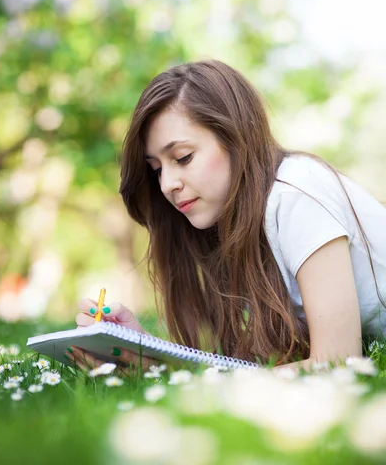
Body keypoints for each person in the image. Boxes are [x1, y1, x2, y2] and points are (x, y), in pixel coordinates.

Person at [69, 59, 386, 373]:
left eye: (183, 157)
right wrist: (154, 358)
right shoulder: (235, 223)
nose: (167, 184)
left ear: (235, 138)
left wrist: (194, 381)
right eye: (157, 169)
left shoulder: (295, 194)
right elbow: (273, 364)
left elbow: (337, 363)